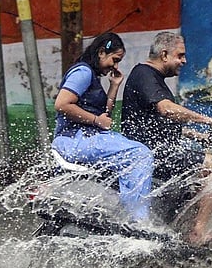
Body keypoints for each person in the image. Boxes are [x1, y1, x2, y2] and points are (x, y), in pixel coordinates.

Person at [121, 31, 212, 246]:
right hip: (153, 154)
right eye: (180, 55)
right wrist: (208, 120)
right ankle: (197, 233)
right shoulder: (144, 74)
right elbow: (166, 110)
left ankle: (179, 231)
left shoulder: (155, 80)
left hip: (160, 150)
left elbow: (156, 124)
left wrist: (198, 136)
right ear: (164, 55)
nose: (184, 61)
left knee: (201, 174)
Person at [52, 32, 153, 221]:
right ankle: (137, 220)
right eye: (114, 60)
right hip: (74, 140)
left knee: (135, 149)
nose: (115, 66)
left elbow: (103, 115)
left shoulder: (92, 76)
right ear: (101, 53)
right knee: (140, 154)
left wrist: (114, 86)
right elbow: (62, 104)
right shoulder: (82, 73)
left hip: (86, 138)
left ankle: (125, 213)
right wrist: (96, 121)